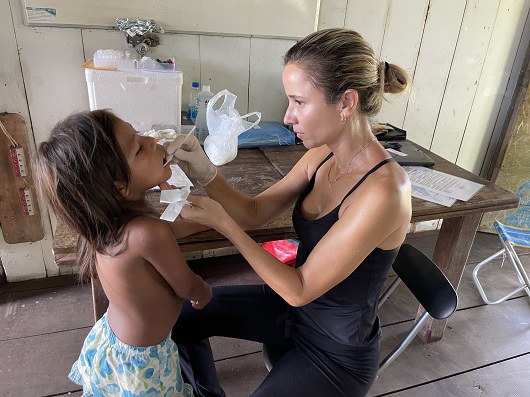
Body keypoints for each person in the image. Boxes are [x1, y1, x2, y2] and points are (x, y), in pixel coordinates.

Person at [170, 28, 412, 396]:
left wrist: (223, 223)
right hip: (291, 311)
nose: (287, 116)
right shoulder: (322, 155)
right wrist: (206, 172)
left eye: (299, 102)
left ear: (346, 102)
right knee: (181, 316)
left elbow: (300, 289)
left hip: (335, 352)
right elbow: (253, 213)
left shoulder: (385, 191)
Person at [34, 110, 212, 396]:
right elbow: (186, 286)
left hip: (112, 342)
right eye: (139, 147)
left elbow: (169, 229)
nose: (152, 140)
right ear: (118, 186)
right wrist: (204, 292)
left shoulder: (106, 225)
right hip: (146, 362)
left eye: (139, 133)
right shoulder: (149, 232)